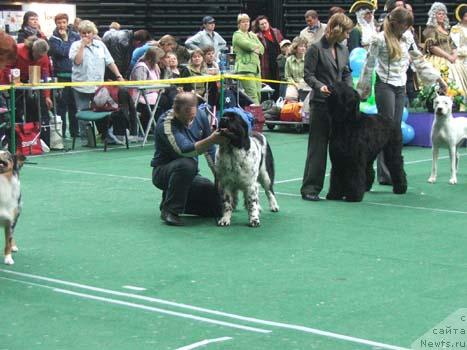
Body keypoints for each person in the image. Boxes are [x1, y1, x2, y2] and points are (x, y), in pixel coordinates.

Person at [357, 7, 447, 185]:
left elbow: (419, 60)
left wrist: (438, 78)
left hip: (400, 86)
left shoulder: (408, 38)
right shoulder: (379, 39)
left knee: (395, 130)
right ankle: (383, 173)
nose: (407, 29)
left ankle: (394, 172)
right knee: (385, 128)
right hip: (384, 85)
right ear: (396, 23)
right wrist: (363, 90)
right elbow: (369, 64)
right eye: (405, 25)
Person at [151, 92, 227, 226]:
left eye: (192, 117)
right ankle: (170, 211)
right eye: (186, 118)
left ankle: (171, 200)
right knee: (187, 164)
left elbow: (210, 150)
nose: (189, 122)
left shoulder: (201, 115)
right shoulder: (166, 124)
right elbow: (184, 150)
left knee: (218, 206)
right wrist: (211, 139)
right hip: (163, 172)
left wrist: (218, 176)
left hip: (191, 175)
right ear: (176, 111)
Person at [300, 13, 354, 201]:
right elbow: (308, 75)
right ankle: (310, 189)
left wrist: (350, 91)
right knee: (318, 147)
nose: (348, 36)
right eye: (346, 32)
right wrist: (319, 86)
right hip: (321, 104)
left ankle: (338, 189)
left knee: (340, 148)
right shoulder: (315, 49)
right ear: (337, 30)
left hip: (340, 107)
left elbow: (346, 72)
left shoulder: (343, 49)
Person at [69, 20, 125, 146]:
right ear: (79, 33)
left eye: (88, 32)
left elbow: (110, 61)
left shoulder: (101, 45)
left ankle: (106, 136)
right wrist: (82, 46)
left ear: (93, 33)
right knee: (82, 111)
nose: (86, 35)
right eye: (83, 33)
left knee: (103, 110)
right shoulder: (75, 46)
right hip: (81, 85)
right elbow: (77, 61)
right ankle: (86, 139)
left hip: (98, 86)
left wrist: (118, 75)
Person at [1, 37, 52, 145]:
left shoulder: (44, 56)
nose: (40, 59)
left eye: (42, 57)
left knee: (35, 111)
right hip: (14, 83)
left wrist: (47, 96)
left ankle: (35, 140)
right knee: (16, 112)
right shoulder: (18, 51)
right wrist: (11, 83)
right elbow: (6, 67)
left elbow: (45, 74)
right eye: (38, 56)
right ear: (32, 51)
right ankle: (15, 140)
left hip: (32, 84)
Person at [423, 2, 467, 99]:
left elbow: (453, 45)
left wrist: (454, 55)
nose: (442, 16)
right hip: (438, 60)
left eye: (443, 14)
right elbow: (432, 47)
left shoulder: (446, 29)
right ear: (434, 15)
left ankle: (457, 102)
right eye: (439, 14)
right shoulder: (430, 30)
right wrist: (448, 56)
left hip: (451, 59)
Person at [49, 13, 81, 139]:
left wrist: (67, 41)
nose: (61, 25)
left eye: (63, 22)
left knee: (74, 105)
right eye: (59, 22)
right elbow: (64, 53)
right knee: (61, 106)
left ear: (67, 22)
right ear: (55, 24)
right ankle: (61, 133)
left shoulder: (76, 36)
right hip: (60, 76)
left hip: (75, 75)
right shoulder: (52, 39)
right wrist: (66, 39)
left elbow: (77, 51)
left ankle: (75, 132)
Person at [232, 13, 264, 105]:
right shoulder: (237, 35)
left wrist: (256, 48)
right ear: (239, 24)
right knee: (252, 94)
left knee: (258, 93)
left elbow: (262, 49)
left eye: (247, 21)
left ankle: (257, 114)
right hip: (245, 69)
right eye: (243, 22)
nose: (246, 24)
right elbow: (247, 46)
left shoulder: (252, 35)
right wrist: (254, 47)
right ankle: (256, 116)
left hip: (256, 69)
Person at [130, 46, 165, 129]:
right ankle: (158, 127)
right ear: (151, 59)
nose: (160, 61)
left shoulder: (154, 67)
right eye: (159, 58)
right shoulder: (141, 67)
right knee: (166, 101)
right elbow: (141, 87)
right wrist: (157, 88)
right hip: (141, 97)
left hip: (154, 95)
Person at [254, 16, 284, 98]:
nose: (264, 25)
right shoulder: (257, 36)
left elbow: (282, 45)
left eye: (265, 23)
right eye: (261, 24)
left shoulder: (276, 32)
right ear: (258, 26)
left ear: (268, 23)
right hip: (265, 63)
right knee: (267, 84)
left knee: (278, 82)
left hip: (277, 62)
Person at [284, 38, 308, 102]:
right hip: (293, 84)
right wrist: (295, 84)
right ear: (295, 48)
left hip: (306, 84)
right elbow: (288, 76)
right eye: (301, 46)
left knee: (304, 100)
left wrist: (301, 83)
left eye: (304, 46)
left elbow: (309, 74)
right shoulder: (289, 60)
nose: (303, 48)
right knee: (289, 97)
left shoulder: (308, 59)